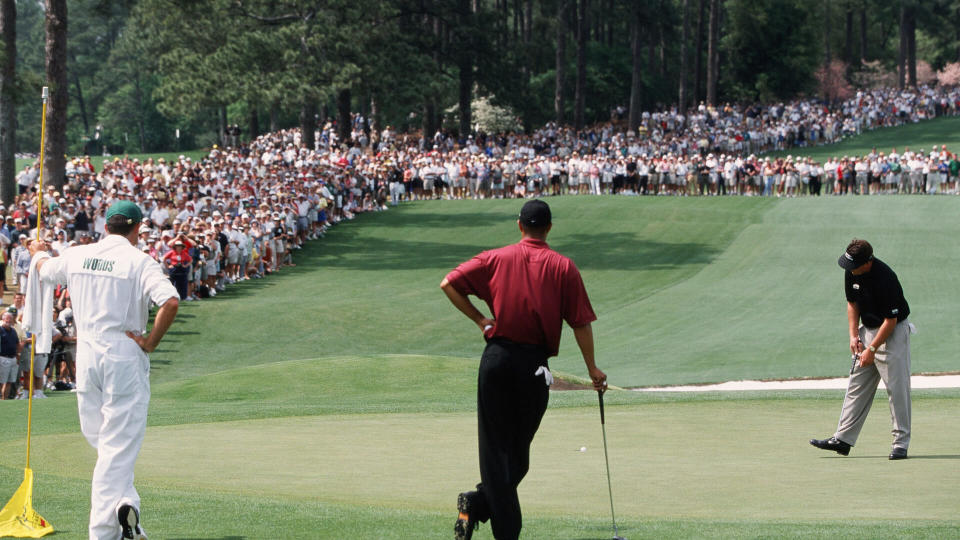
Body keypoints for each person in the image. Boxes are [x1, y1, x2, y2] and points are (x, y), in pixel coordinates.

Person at [440, 199, 608, 540]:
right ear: (548, 228)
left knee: (498, 453)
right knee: (515, 455)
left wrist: (480, 320)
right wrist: (592, 368)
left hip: (496, 360)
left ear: (520, 225)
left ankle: (477, 502)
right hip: (532, 366)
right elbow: (580, 324)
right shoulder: (563, 267)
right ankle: (503, 530)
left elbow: (449, 283)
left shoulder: (494, 258)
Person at [27, 200, 179, 540]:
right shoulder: (140, 261)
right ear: (137, 229)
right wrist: (151, 342)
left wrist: (37, 251)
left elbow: (44, 269)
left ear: (105, 226)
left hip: (88, 355)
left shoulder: (78, 254)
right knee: (114, 444)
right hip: (123, 351)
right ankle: (102, 533)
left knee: (104, 440)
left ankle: (126, 502)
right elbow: (170, 301)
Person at [810, 238, 913, 460]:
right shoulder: (852, 270)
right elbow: (852, 303)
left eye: (853, 266)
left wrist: (872, 349)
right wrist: (854, 335)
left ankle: (900, 444)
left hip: (892, 333)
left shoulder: (885, 278)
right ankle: (843, 439)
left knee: (897, 390)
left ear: (867, 262)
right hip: (867, 329)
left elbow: (891, 320)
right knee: (856, 384)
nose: (849, 270)